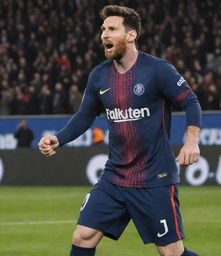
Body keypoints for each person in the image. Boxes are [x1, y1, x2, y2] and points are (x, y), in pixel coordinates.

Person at [39, 5, 202, 256]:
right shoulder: (99, 76)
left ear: (131, 35)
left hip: (154, 178)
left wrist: (191, 141)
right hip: (114, 177)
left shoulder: (158, 70)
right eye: (103, 29)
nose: (104, 34)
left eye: (112, 29)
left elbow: (190, 101)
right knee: (83, 236)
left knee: (170, 251)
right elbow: (85, 115)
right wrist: (58, 138)